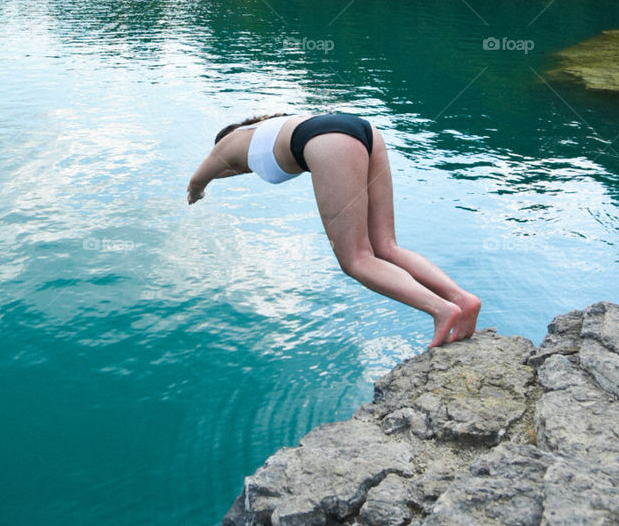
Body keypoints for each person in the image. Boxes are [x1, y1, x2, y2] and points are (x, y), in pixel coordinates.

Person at [187, 111, 481, 349]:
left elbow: (201, 174)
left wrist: (196, 191)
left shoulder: (229, 143)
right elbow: (231, 169)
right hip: (362, 130)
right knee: (386, 247)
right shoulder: (265, 133)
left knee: (356, 260)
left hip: (331, 141)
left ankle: (440, 309)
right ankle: (461, 299)